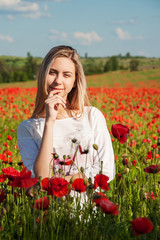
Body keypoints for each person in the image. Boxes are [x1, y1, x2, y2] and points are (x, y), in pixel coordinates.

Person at [17, 45, 115, 187]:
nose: (58, 80)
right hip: (52, 208)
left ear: (75, 81)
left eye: (66, 75)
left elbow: (106, 172)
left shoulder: (92, 116)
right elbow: (42, 179)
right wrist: (49, 122)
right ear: (43, 75)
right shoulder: (28, 128)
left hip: (91, 207)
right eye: (52, 72)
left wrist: (60, 182)